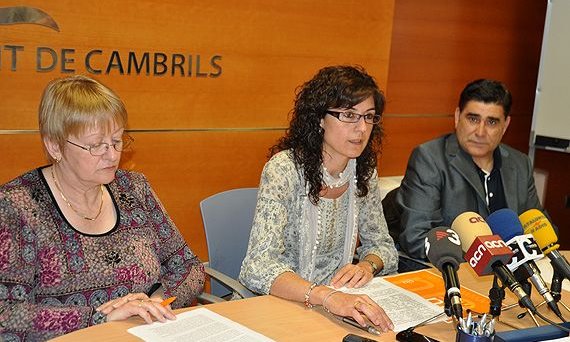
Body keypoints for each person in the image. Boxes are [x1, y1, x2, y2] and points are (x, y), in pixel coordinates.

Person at [0, 75, 205, 341]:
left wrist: (157, 300)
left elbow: (189, 266)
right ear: (54, 145)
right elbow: (6, 314)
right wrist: (100, 317)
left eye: (117, 141)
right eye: (96, 145)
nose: (111, 155)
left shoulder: (134, 189)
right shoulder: (16, 206)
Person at [239, 65, 398, 333]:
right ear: (320, 119)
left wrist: (368, 265)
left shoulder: (363, 172)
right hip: (282, 305)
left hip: (340, 305)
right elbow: (258, 266)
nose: (361, 128)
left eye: (368, 117)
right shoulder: (285, 170)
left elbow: (383, 246)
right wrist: (326, 296)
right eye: (349, 115)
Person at [396, 79, 544, 259]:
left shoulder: (520, 164)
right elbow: (417, 238)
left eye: (492, 122)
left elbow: (539, 230)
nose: (480, 132)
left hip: (512, 275)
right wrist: (481, 260)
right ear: (458, 117)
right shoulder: (429, 159)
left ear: (505, 125)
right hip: (455, 274)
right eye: (473, 119)